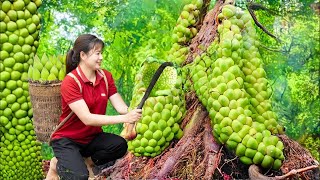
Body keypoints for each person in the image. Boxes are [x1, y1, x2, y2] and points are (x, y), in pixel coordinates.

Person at [45, 34, 142, 180]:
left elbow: (120, 106)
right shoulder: (70, 82)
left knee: (120, 145)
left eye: (101, 53)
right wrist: (124, 118)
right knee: (79, 177)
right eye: (97, 53)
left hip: (91, 138)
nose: (101, 57)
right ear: (83, 55)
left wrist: (133, 112)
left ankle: (87, 163)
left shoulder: (105, 77)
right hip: (68, 140)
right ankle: (57, 165)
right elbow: (87, 118)